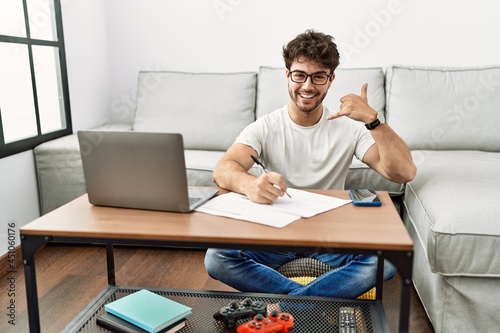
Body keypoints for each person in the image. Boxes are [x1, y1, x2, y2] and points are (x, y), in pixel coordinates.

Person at [204, 29, 416, 298]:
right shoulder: (267, 126)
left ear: (330, 80)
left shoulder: (350, 128)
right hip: (275, 237)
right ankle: (310, 304)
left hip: (331, 239)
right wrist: (249, 184)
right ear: (287, 76)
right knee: (217, 258)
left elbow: (404, 172)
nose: (307, 86)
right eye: (299, 75)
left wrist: (373, 120)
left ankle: (293, 307)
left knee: (386, 261)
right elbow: (224, 168)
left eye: (318, 77)